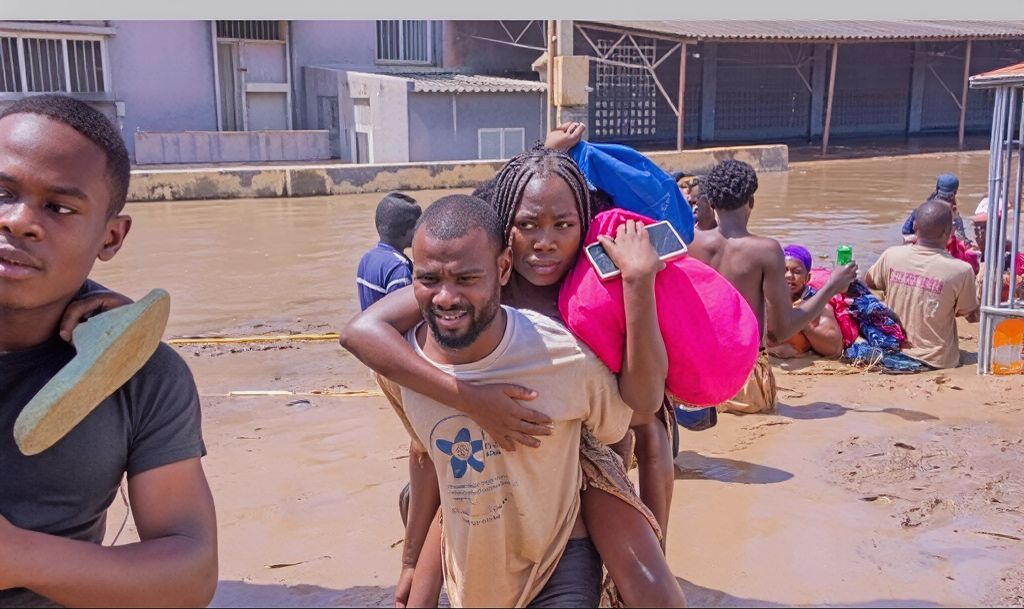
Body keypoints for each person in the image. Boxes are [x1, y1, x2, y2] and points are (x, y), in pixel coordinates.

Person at [341, 148, 686, 607]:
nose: (545, 242)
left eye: (563, 225)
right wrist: (470, 398)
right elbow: (363, 334)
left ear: (583, 224)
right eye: (528, 225)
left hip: (589, 454)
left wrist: (638, 282)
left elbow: (646, 416)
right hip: (488, 446)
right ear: (506, 238)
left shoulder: (596, 289)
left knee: (653, 592)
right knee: (437, 500)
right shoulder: (474, 286)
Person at [0, 94, 217, 607]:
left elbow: (190, 574)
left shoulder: (139, 375)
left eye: (59, 207)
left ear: (111, 237)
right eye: (1, 193)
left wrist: (18, 558)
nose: (19, 221)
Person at [688, 160, 857, 414]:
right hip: (743, 380)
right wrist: (832, 286)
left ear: (711, 203)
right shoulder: (765, 251)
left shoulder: (689, 242)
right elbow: (779, 331)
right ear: (751, 202)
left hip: (696, 377)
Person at [866, 199, 980, 369]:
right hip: (936, 361)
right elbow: (971, 315)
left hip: (892, 353)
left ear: (914, 226)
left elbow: (870, 282)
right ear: (949, 232)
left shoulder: (891, 255)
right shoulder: (961, 270)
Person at [766, 245, 845, 359]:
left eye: (797, 272)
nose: (789, 276)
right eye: (784, 270)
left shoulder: (818, 305)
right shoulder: (767, 296)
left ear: (807, 278)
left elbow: (835, 350)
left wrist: (801, 319)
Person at [356, 192, 422, 310]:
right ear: (406, 229)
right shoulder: (399, 268)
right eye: (418, 227)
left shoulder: (367, 257)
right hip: (390, 323)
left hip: (370, 321)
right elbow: (402, 313)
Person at [902, 173, 970, 245]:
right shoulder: (955, 217)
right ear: (955, 192)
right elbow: (962, 239)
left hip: (919, 247)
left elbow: (905, 232)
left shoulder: (921, 210)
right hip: (941, 249)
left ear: (937, 188)